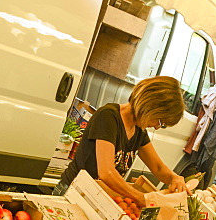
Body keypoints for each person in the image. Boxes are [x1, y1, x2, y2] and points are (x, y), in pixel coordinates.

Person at [52, 76, 187, 204]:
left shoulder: (138, 130)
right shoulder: (108, 117)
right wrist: (139, 197)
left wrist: (175, 178)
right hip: (72, 193)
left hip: (97, 198)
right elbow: (106, 172)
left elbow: (157, 167)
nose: (157, 127)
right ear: (150, 106)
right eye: (160, 121)